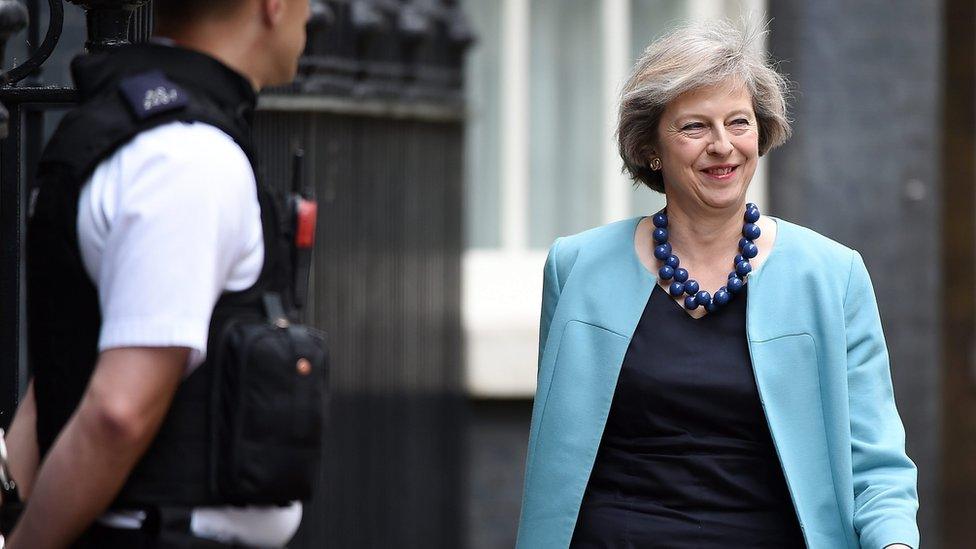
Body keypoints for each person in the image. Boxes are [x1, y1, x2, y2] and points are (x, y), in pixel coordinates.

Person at [515, 19, 918, 549]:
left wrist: (893, 543)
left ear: (762, 133)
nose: (723, 146)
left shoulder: (832, 275)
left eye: (739, 122)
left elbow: (876, 458)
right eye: (694, 127)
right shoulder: (577, 267)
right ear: (651, 147)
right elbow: (558, 452)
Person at [0, 0, 321, 547]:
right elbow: (117, 413)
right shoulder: (188, 158)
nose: (312, 16)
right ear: (273, 6)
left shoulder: (126, 130)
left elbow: (62, 372)